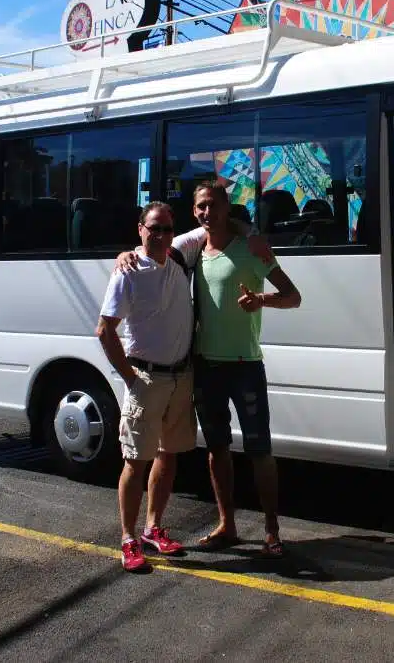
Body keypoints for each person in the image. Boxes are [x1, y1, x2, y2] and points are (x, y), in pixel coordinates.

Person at [122, 181, 301, 558]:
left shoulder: (252, 249)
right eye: (201, 207)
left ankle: (271, 531)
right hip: (205, 367)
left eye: (213, 206)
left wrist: (262, 300)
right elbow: (153, 244)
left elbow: (293, 297)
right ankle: (227, 525)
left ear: (227, 208)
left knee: (260, 451)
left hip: (245, 365)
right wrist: (129, 252)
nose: (207, 213)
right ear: (195, 212)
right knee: (217, 449)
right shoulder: (193, 252)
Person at [95, 201, 198, 572]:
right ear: (140, 229)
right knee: (135, 462)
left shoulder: (178, 259)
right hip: (147, 377)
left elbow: (215, 222)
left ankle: (154, 528)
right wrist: (129, 377)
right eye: (153, 228)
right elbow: (105, 329)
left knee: (167, 455)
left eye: (167, 229)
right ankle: (128, 538)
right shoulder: (128, 271)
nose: (161, 235)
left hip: (179, 377)